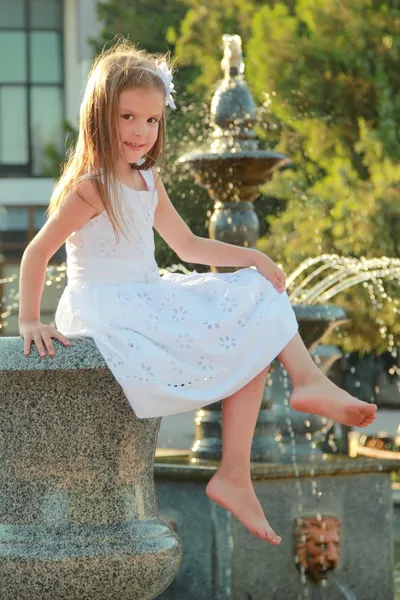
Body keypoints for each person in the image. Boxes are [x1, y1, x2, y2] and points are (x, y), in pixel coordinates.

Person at [18, 40, 377, 546]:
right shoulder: (93, 186)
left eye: (151, 120)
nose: (141, 132)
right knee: (244, 319)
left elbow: (185, 244)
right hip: (108, 307)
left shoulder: (147, 180)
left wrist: (253, 256)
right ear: (100, 117)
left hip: (146, 293)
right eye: (127, 117)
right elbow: (37, 252)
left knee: (252, 298)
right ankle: (301, 390)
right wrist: (31, 321)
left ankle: (242, 459)